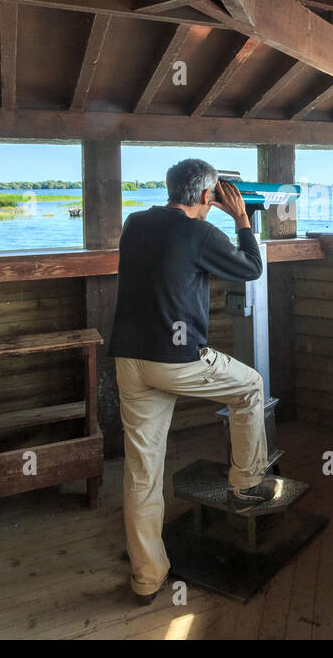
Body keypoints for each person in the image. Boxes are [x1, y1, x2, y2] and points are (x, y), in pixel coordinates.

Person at [109, 158, 278, 604]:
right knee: (250, 387)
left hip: (129, 358)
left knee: (142, 471)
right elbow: (250, 268)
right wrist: (241, 218)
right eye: (214, 196)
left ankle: (147, 577)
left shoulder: (135, 222)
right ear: (208, 196)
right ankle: (244, 481)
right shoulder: (203, 232)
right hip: (179, 360)